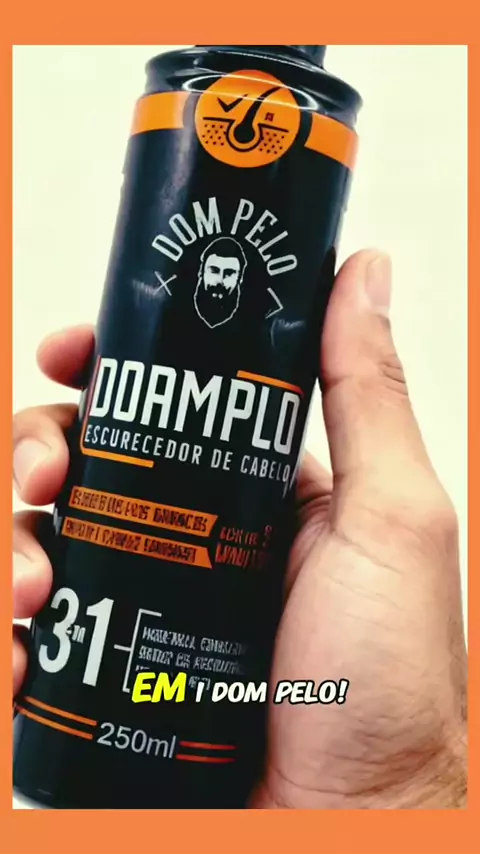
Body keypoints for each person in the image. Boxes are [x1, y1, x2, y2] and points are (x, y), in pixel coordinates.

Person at [12, 249, 467, 809]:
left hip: (217, 757)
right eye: (214, 271)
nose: (221, 283)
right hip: (72, 722)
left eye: (232, 274)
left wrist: (412, 788)